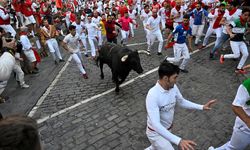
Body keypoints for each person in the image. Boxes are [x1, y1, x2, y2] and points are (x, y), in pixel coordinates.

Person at [145, 61, 216, 150]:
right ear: (166, 78)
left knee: (156, 147)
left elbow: (181, 101)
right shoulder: (152, 95)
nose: (176, 80)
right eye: (175, 78)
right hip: (155, 133)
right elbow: (156, 124)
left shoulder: (173, 87)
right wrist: (179, 141)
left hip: (167, 130)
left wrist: (202, 107)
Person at [208, 78, 250, 150]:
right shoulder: (248, 84)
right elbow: (236, 106)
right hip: (245, 126)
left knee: (234, 145)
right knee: (234, 148)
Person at [219, 8, 250, 74]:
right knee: (236, 55)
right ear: (241, 14)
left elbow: (243, 31)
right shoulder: (236, 21)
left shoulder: (246, 22)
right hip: (234, 41)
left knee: (246, 54)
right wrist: (230, 34)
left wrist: (246, 32)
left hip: (241, 41)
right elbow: (228, 27)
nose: (246, 16)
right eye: (245, 15)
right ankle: (223, 56)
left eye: (248, 15)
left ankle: (238, 68)